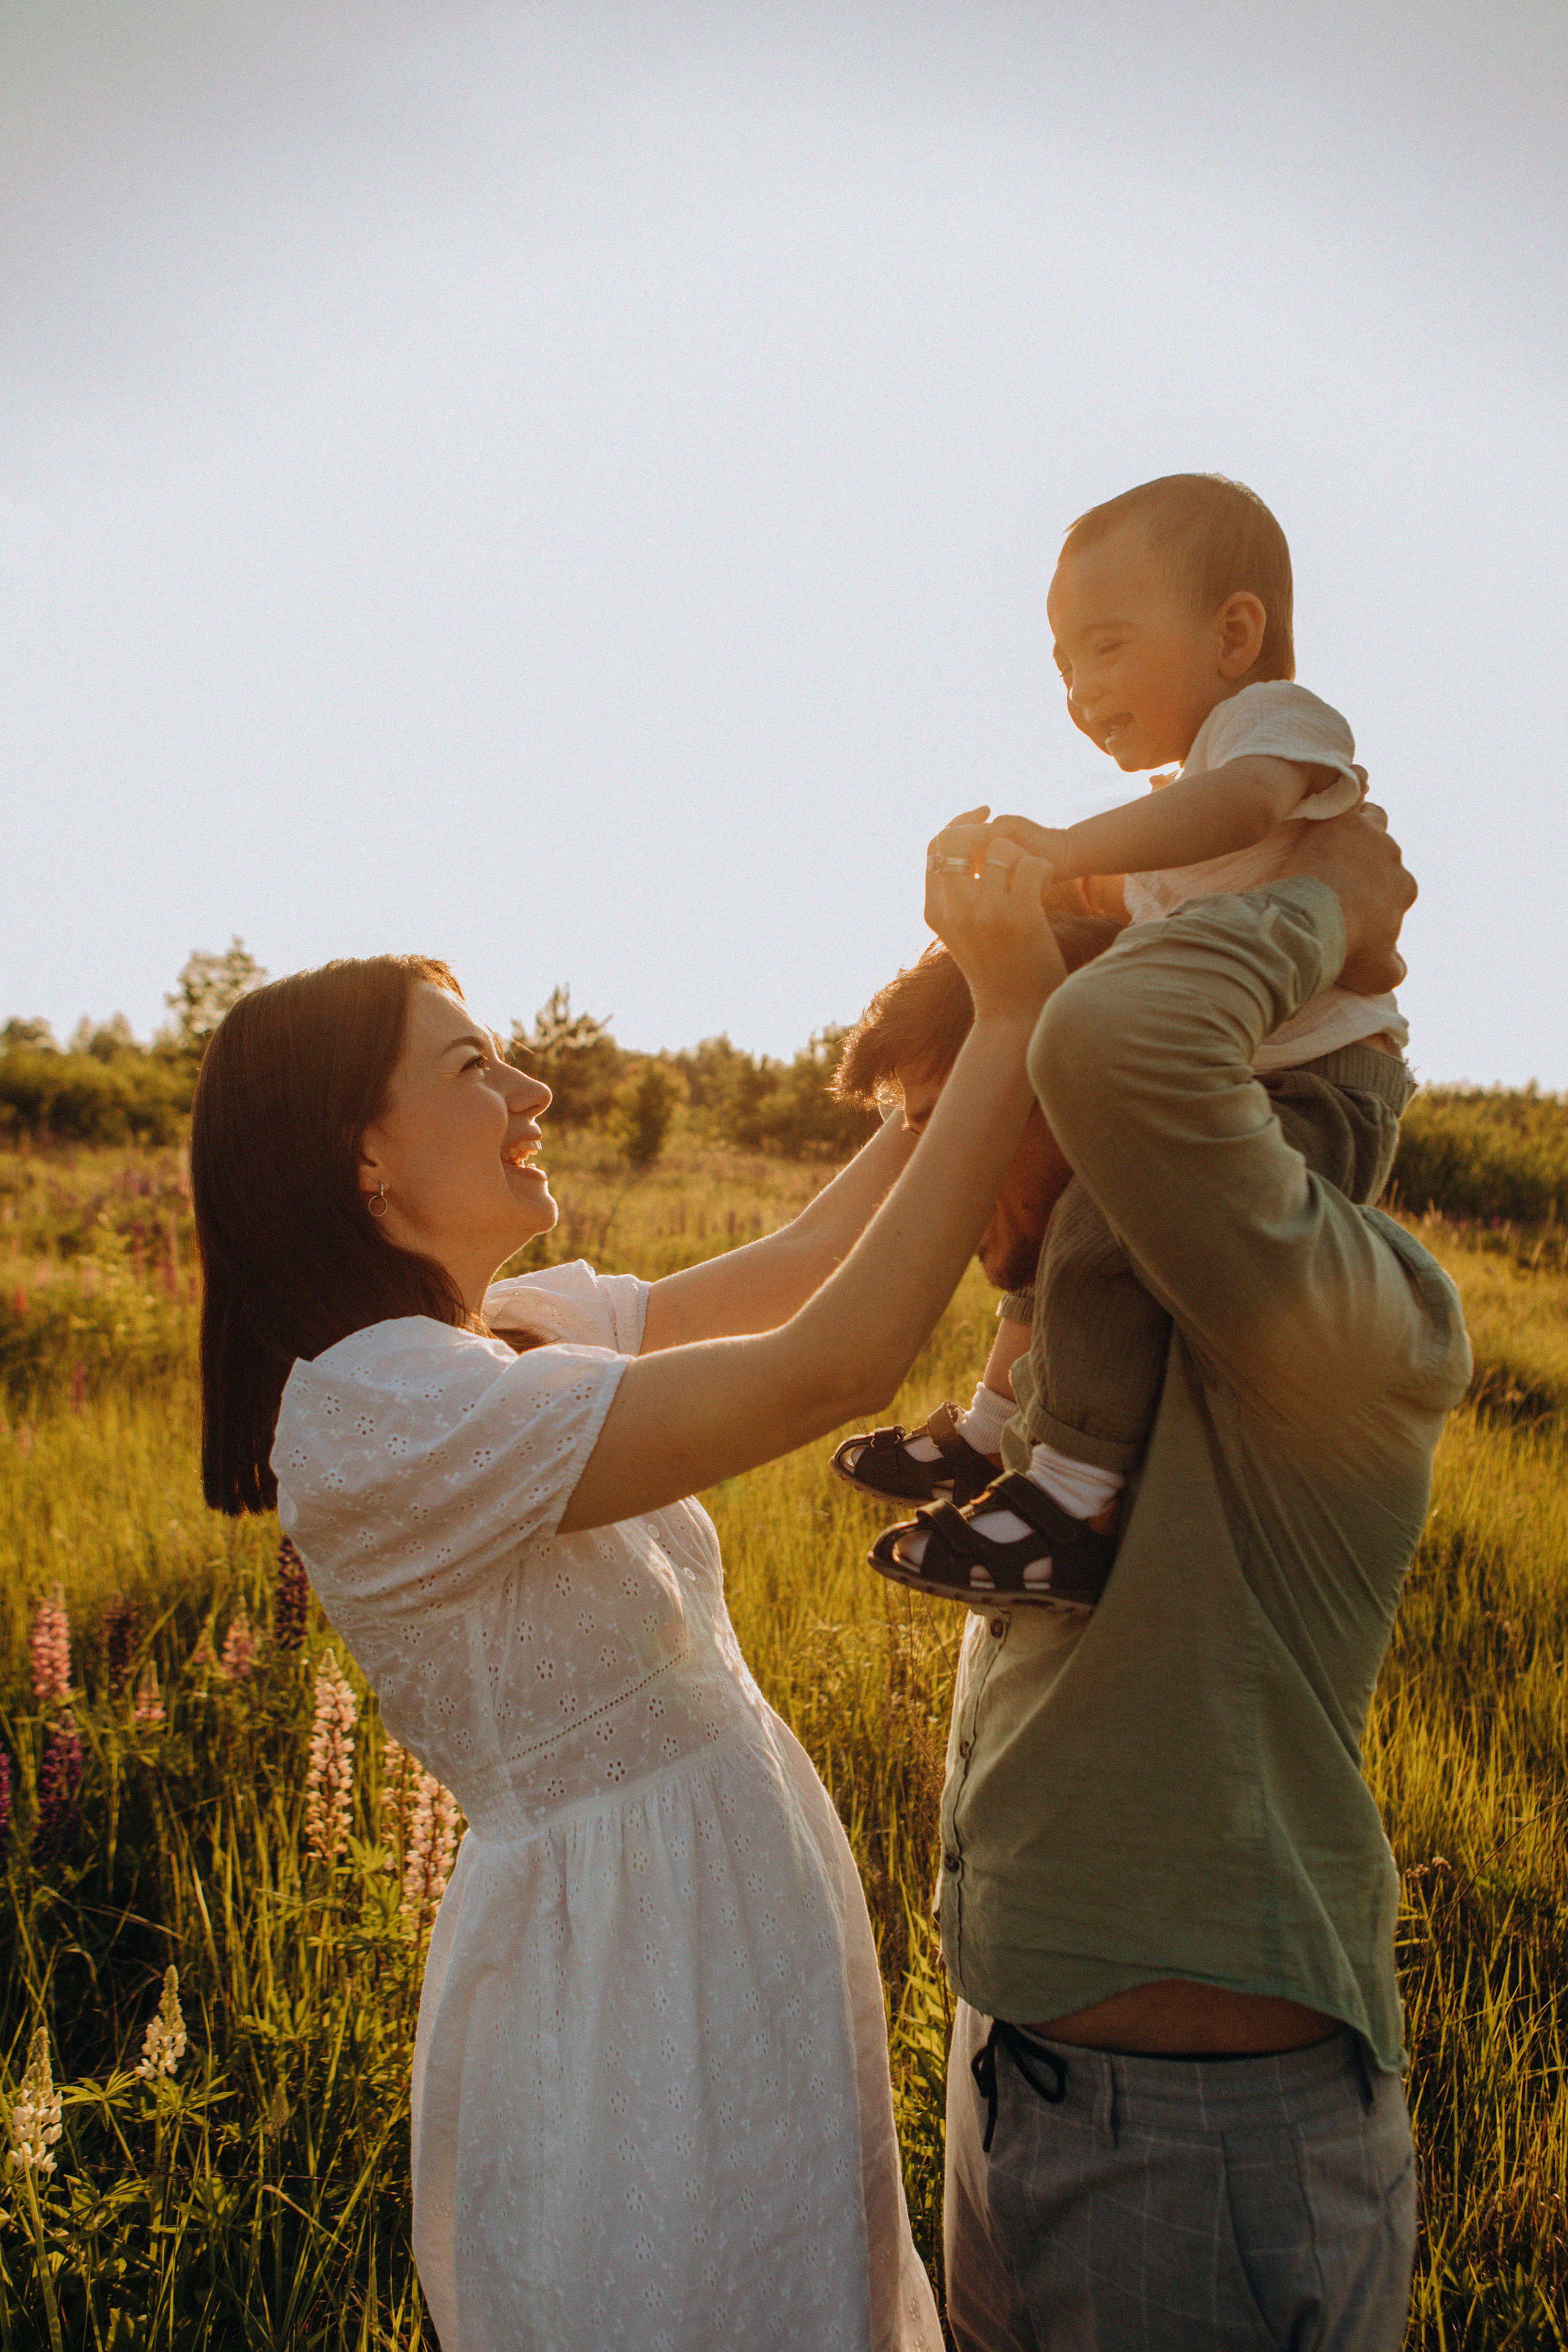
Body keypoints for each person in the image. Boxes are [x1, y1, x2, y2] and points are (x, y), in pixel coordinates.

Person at [189, 827, 1064, 2352]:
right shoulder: (380, 1413)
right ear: (363, 1154)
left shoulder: (505, 1332)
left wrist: (951, 1043)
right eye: (476, 1069)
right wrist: (1004, 1022)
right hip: (620, 1989)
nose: (533, 1095)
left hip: (722, 1919)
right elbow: (832, 1364)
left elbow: (797, 1263)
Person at [857, 807, 1467, 2350]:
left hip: (1199, 2154)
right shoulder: (1076, 1348)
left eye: (974, 1104)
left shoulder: (1325, 1308)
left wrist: (1316, 900)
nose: (937, 1178)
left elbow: (1129, 1039)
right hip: (1015, 2088)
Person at [838, 474, 1417, 1611]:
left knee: (1110, 1227)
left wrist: (1060, 846)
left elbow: (1240, 814)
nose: (1081, 691)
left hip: (1315, 1092)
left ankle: (1072, 1499)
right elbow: (1132, 891)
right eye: (1061, 667)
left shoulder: (1267, 731)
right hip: (1234, 1083)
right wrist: (1006, 893)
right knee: (1067, 1210)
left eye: (1104, 649)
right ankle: (998, 1424)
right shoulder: (1176, 803)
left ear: (1235, 634)